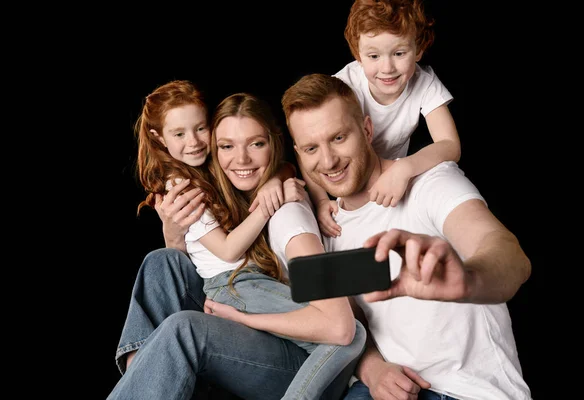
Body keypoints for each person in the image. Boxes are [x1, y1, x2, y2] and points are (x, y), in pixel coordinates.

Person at [280, 72, 532, 400]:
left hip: (470, 391)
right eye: (311, 148)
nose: (328, 160)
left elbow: (508, 254)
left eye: (339, 138)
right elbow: (351, 321)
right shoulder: (326, 230)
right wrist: (371, 367)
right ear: (299, 154)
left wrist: (469, 280)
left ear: (367, 130)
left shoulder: (428, 182)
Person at [109, 82, 365, 400]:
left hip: (294, 359)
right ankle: (141, 367)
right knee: (163, 259)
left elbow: (343, 324)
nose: (240, 159)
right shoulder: (222, 187)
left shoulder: (288, 216)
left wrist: (375, 368)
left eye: (255, 144)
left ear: (276, 143)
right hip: (242, 309)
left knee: (183, 328)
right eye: (227, 146)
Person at [304, 0, 461, 239]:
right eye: (374, 55)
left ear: (418, 49)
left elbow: (450, 145)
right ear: (358, 54)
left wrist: (404, 168)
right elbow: (309, 145)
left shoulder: (425, 83)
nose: (387, 68)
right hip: (349, 182)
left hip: (391, 178)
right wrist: (320, 200)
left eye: (399, 53)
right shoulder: (344, 86)